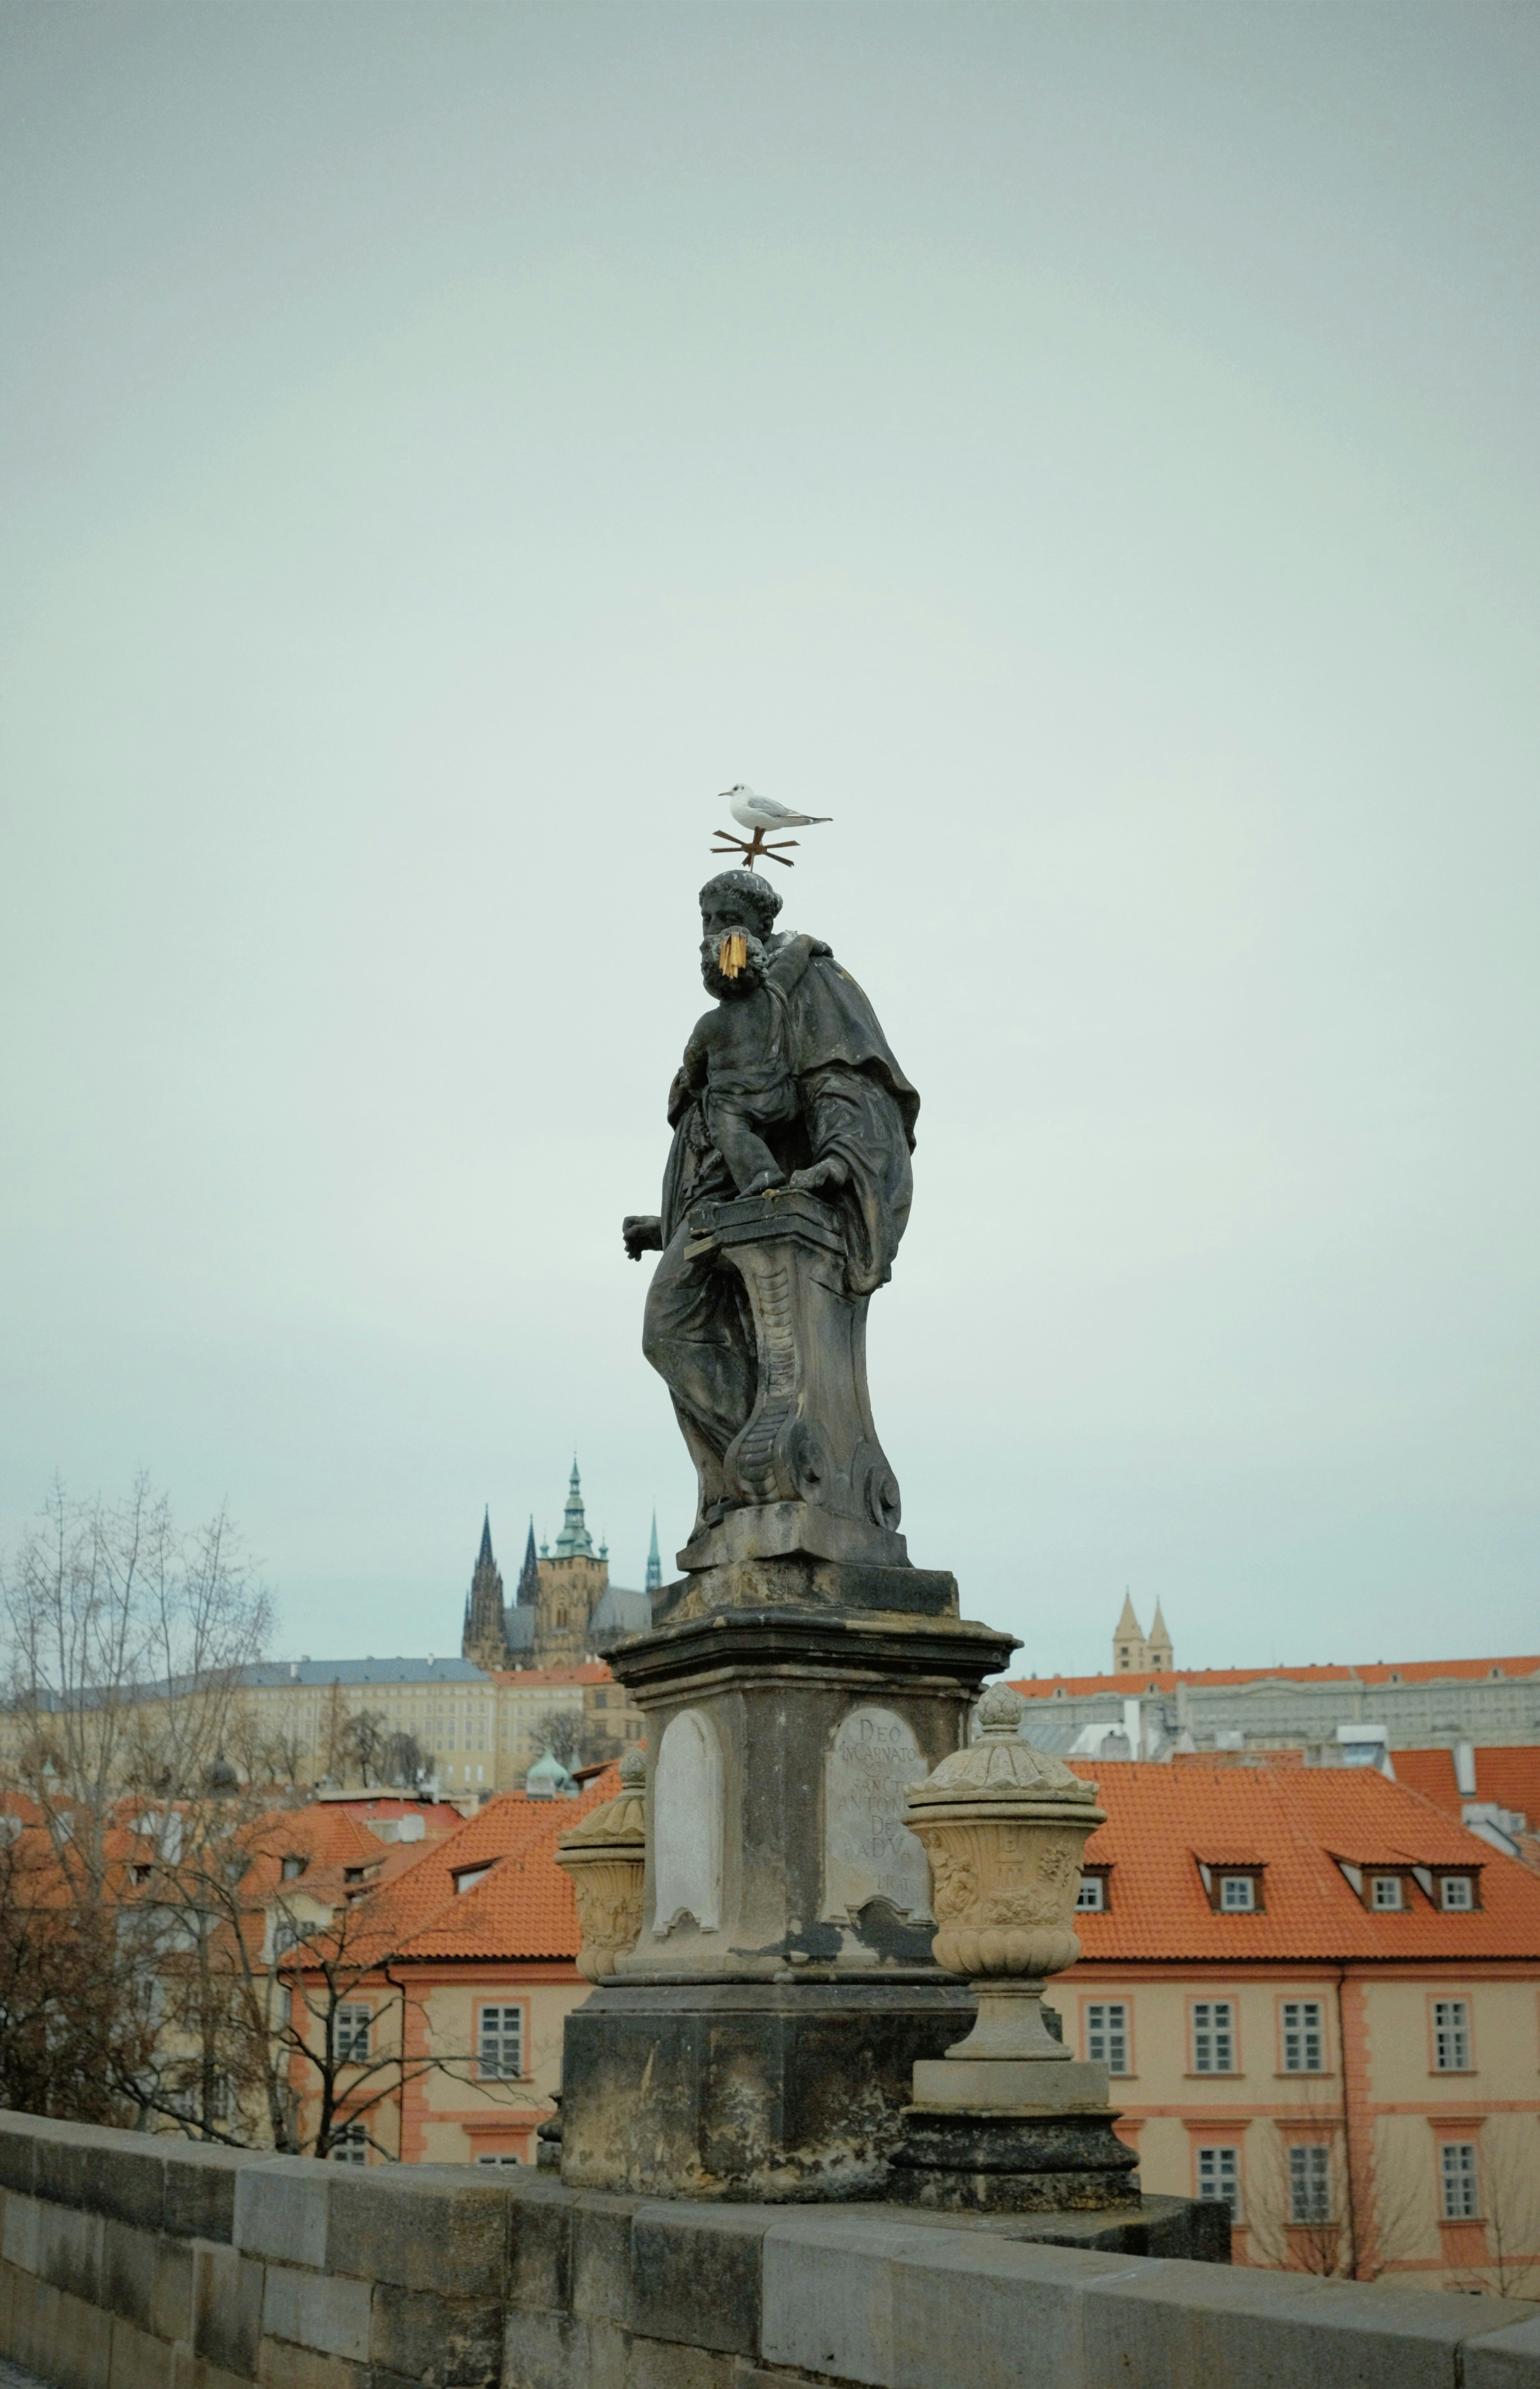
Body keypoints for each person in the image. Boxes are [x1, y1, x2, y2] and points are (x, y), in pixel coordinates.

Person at [623, 870, 918, 1540]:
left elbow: (849, 1088)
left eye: (721, 916)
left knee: (669, 1329)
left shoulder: (812, 983)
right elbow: (712, 1136)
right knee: (673, 1337)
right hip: (713, 1217)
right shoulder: (727, 1012)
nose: (711, 932)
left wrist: (838, 1166)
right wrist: (661, 1221)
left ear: (752, 922)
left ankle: (780, 1470)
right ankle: (749, 1479)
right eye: (704, 921)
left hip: (776, 1216)